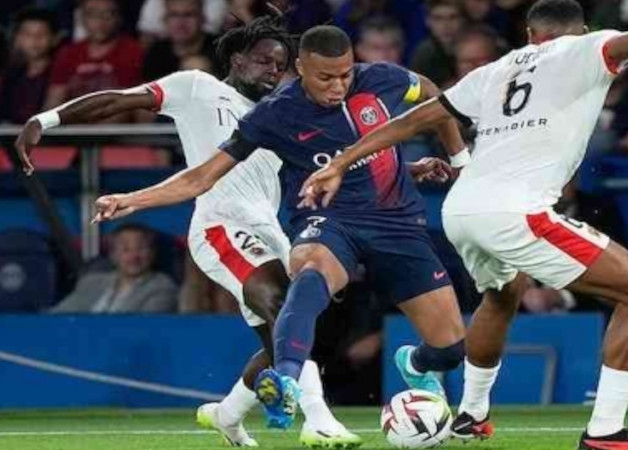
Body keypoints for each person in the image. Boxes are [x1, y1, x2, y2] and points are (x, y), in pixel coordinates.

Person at [297, 1, 628, 448]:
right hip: (514, 211)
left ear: (530, 34)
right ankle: (606, 433)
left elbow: (420, 117)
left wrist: (342, 160)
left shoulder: (493, 70)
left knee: (503, 294)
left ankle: (470, 415)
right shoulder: (582, 49)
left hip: (461, 209)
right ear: (583, 31)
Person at [87, 24, 468, 430]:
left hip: (396, 225)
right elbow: (202, 177)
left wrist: (459, 160)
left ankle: (415, 361)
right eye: (325, 77)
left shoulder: (382, 79)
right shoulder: (275, 114)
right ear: (301, 68)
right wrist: (129, 200)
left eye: (345, 74)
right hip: (331, 220)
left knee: (450, 349)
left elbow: (434, 96)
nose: (338, 86)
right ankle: (286, 380)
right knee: (308, 271)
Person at [15, 15, 360, 449]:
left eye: (280, 66)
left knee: (285, 339)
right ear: (237, 59)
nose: (273, 72)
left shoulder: (281, 115)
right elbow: (119, 100)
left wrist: (409, 166)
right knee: (282, 304)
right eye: (264, 62)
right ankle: (319, 419)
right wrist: (46, 121)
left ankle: (226, 416)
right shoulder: (197, 87)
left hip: (270, 230)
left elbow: (329, 163)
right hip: (221, 224)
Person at [44, 0, 143, 119]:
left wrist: (93, 134)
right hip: (71, 128)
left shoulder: (132, 51)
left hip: (114, 131)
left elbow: (124, 107)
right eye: (92, 14)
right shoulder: (68, 53)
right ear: (82, 18)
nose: (100, 21)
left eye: (108, 14)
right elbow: (54, 103)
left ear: (119, 18)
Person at [50, 223, 177, 313]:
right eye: (125, 249)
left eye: (141, 248)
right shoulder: (91, 282)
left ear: (152, 253)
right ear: (113, 255)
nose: (134, 256)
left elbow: (143, 327)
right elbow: (59, 315)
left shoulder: (162, 286)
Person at [0, 8, 59, 125]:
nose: (34, 40)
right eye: (27, 34)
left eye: (42, 34)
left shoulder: (59, 72)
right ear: (17, 38)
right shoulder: (10, 75)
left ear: (54, 38)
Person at [142, 0, 220, 81]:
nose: (181, 22)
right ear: (165, 20)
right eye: (174, 15)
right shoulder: (156, 52)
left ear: (202, 19)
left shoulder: (221, 49)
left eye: (188, 15)